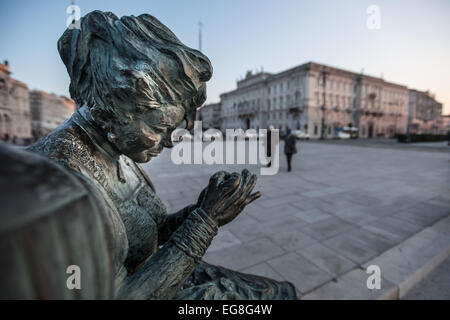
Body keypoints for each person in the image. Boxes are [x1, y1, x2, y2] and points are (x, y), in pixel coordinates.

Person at [1, 11, 299, 300]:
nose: (171, 141)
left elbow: (152, 234)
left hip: (172, 276)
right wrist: (205, 223)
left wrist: (203, 209)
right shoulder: (60, 194)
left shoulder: (120, 153)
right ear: (119, 104)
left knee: (279, 291)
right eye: (162, 126)